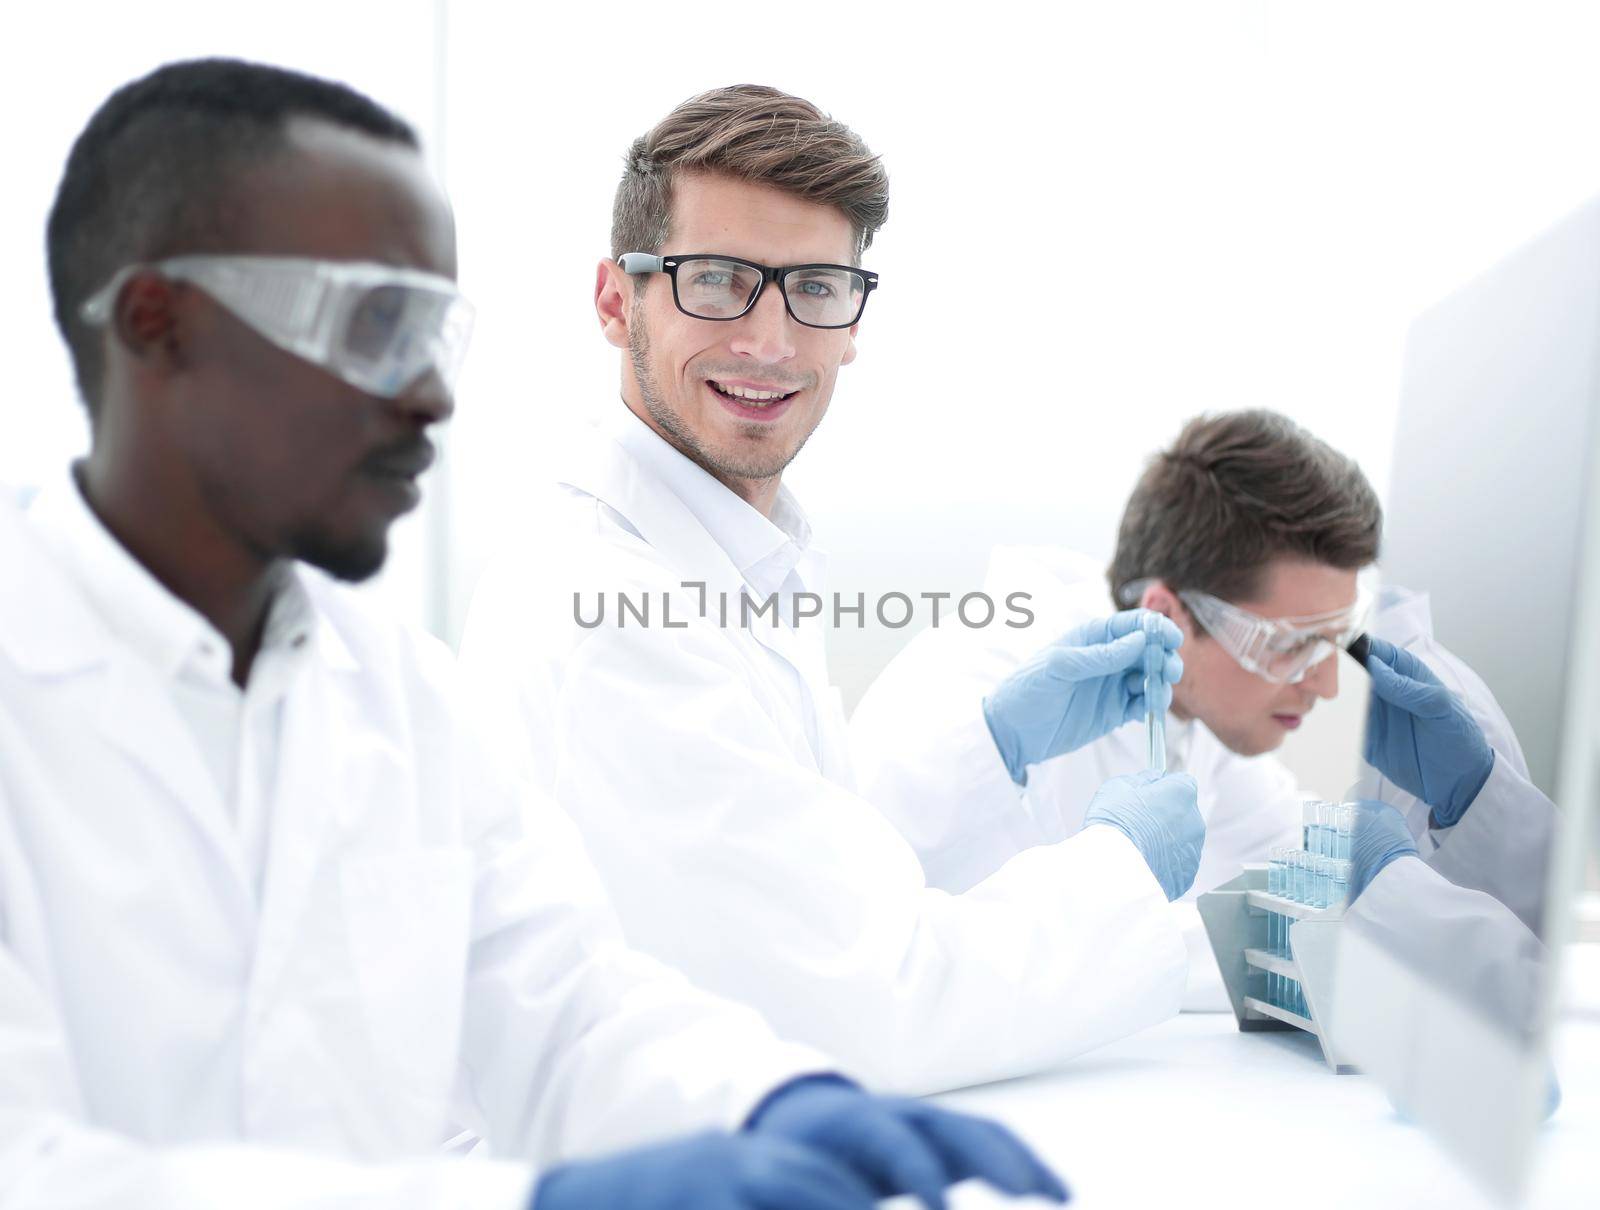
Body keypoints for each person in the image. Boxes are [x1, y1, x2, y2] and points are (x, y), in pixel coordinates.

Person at [0, 58, 1070, 1210]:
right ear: (161, 324)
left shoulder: (396, 693)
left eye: (432, 333)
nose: (430, 399)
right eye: (370, 323)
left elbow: (567, 1003)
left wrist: (764, 1099)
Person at [460, 84, 1204, 1096]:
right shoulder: (605, 605)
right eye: (716, 280)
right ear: (612, 299)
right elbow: (862, 1009)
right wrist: (1121, 863)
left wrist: (994, 745)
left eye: (813, 286)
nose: (768, 340)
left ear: (852, 320)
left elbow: (801, 868)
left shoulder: (735, 553)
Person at [851, 411, 1557, 1007]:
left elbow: (1291, 885)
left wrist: (1460, 812)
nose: (1324, 685)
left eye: (1332, 644)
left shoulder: (1202, 718)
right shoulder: (975, 684)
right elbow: (866, 933)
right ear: (1167, 612)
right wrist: (994, 753)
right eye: (1288, 646)